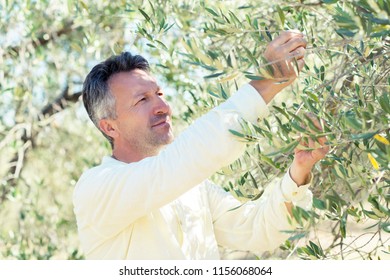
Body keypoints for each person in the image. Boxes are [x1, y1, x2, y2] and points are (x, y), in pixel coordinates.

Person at [73, 31, 329, 259]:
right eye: (142, 100)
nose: (163, 107)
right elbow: (174, 166)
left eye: (159, 94)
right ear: (109, 127)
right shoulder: (96, 188)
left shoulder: (194, 189)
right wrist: (265, 83)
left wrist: (299, 171)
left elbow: (258, 229)